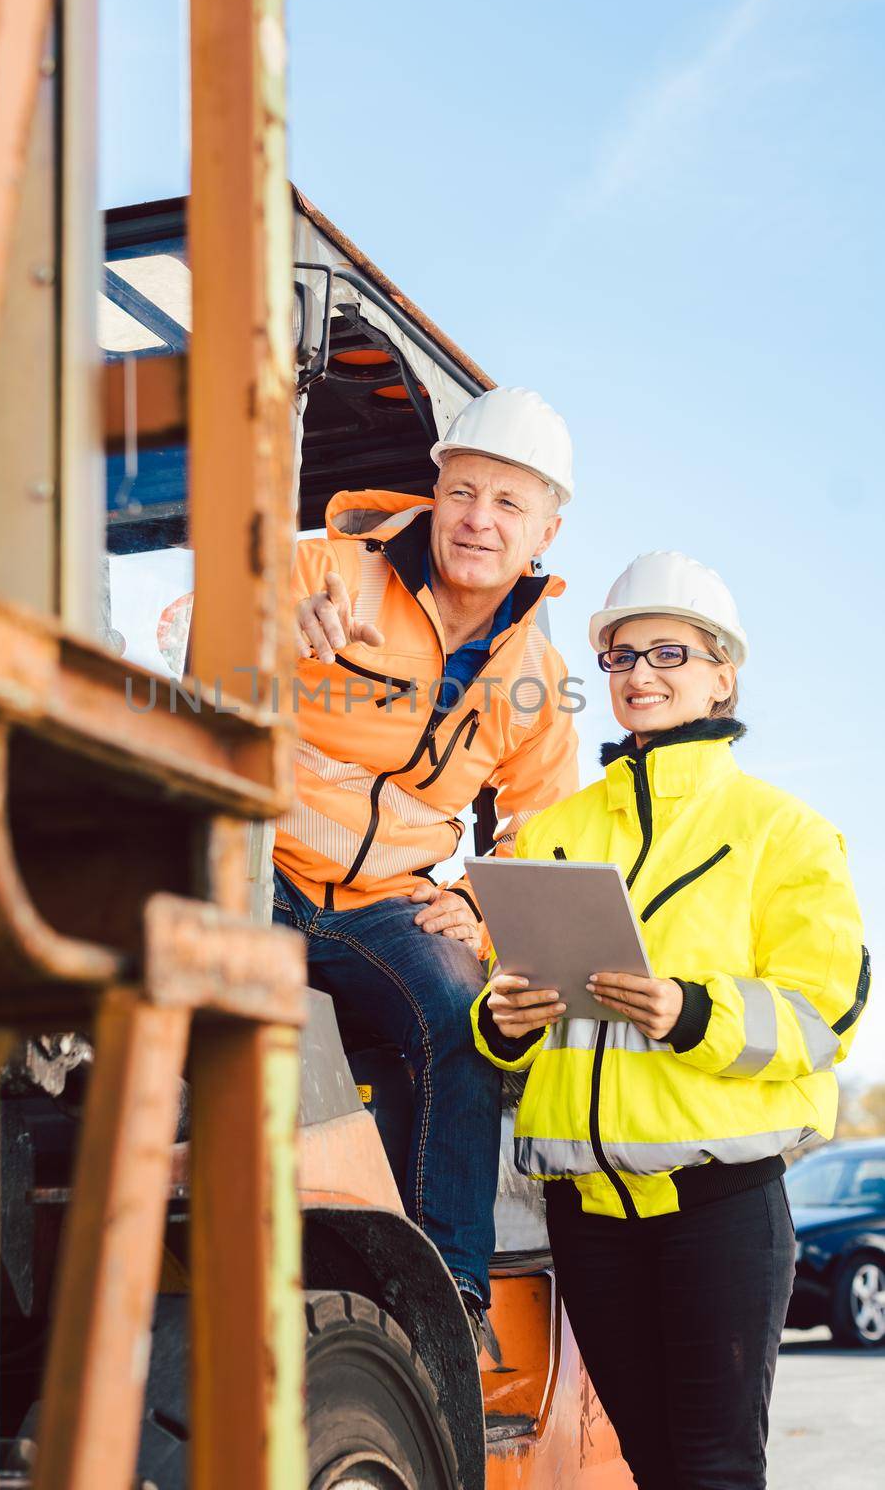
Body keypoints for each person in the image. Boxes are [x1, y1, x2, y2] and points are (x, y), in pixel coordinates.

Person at [471, 550, 870, 1488]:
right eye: (620, 656)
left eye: (669, 653)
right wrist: (506, 1021)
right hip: (588, 1215)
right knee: (649, 1466)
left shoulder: (785, 832)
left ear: (722, 672)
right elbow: (500, 1003)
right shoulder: (556, 830)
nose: (641, 673)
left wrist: (690, 1012)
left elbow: (826, 1012)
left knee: (714, 1469)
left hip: (717, 1209)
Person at [272, 387, 581, 1340]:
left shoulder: (536, 677)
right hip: (259, 869)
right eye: (464, 492)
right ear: (436, 489)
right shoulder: (324, 572)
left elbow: (546, 831)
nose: (478, 520)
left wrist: (484, 914)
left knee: (464, 1014)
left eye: (508, 504)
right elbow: (182, 632)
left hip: (383, 904)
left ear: (546, 530)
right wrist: (274, 633)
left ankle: (449, 1296)